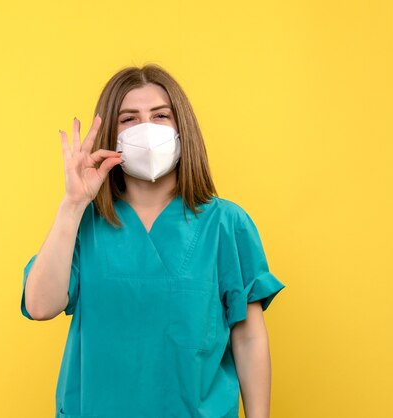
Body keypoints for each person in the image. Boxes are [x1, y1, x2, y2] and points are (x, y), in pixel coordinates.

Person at [20, 64, 286, 418]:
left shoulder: (225, 223)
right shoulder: (83, 225)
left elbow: (249, 338)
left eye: (160, 115)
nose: (146, 128)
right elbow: (40, 306)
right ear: (110, 137)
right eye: (128, 119)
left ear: (181, 129)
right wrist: (72, 205)